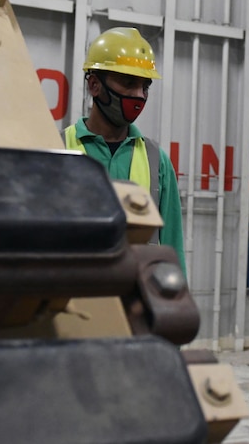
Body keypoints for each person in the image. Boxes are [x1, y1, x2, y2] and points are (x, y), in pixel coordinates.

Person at [64, 27, 185, 275]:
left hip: (134, 303)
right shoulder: (59, 148)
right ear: (95, 85)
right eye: (129, 83)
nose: (139, 95)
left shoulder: (157, 160)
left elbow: (172, 247)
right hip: (72, 299)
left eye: (145, 86)